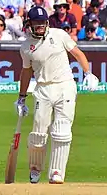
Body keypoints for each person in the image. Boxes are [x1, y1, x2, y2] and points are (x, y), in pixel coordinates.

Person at [16, 6, 99, 184]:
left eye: (42, 22)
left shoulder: (59, 35)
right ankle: (35, 169)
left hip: (65, 86)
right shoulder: (25, 47)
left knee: (62, 131)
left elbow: (77, 53)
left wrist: (88, 73)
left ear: (47, 22)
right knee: (38, 132)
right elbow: (26, 72)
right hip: (43, 89)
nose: (40, 26)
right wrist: (21, 98)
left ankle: (56, 172)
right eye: (36, 22)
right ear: (29, 24)